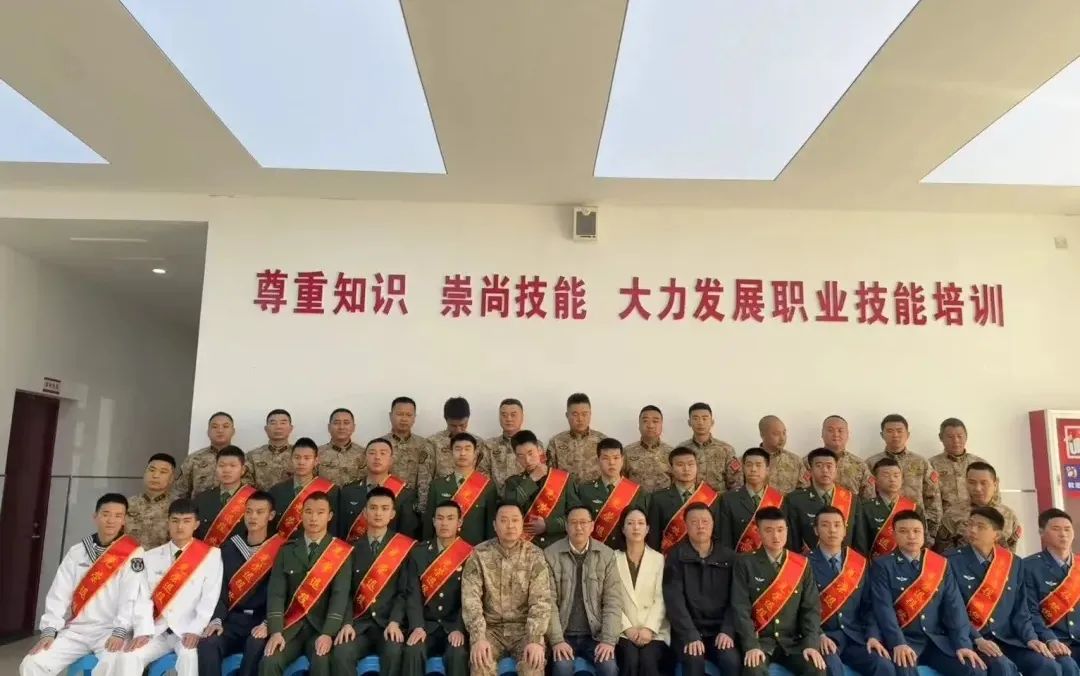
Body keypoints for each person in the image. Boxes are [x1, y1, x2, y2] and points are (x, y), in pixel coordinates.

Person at [19, 494, 144, 676]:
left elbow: (131, 596)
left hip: (111, 630)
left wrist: (120, 630)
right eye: (106, 514)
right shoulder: (77, 551)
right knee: (33, 663)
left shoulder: (133, 553)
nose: (111, 520)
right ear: (95, 516)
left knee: (118, 666)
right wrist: (50, 629)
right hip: (77, 630)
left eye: (118, 516)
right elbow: (59, 592)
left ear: (124, 520)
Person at [104, 498, 224, 676]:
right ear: (168, 522)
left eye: (186, 521)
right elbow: (142, 598)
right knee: (129, 656)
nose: (180, 527)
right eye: (175, 521)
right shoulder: (150, 556)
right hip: (156, 631)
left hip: (187, 631)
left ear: (196, 524)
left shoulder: (210, 556)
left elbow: (209, 598)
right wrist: (143, 631)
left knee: (189, 657)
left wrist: (195, 630)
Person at [869, 510, 987, 676]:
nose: (911, 536)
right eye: (903, 531)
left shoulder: (939, 564)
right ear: (894, 535)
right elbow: (883, 609)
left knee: (973, 669)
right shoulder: (882, 565)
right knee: (904, 669)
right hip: (904, 640)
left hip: (936, 642)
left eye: (916, 531)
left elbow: (954, 607)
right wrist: (897, 642)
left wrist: (963, 645)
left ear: (924, 533)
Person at [948, 506, 1060, 676]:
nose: (972, 530)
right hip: (973, 639)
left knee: (1048, 665)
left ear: (997, 535)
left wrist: (1030, 638)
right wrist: (977, 638)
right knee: (1002, 667)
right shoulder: (951, 561)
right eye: (970, 524)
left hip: (1008, 639)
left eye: (980, 526)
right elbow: (953, 610)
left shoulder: (1013, 563)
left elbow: (1021, 610)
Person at [261, 492, 352, 676]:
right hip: (290, 627)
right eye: (308, 512)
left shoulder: (340, 551)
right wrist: (276, 631)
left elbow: (340, 595)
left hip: (321, 627)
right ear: (301, 514)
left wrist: (328, 633)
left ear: (329, 516)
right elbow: (276, 593)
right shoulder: (287, 550)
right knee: (270, 660)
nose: (313, 518)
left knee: (322, 660)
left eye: (320, 512)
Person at [329, 486, 417, 676]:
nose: (378, 513)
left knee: (394, 652)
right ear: (365, 512)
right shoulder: (350, 549)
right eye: (373, 508)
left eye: (385, 508)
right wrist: (346, 623)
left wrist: (395, 621)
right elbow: (345, 592)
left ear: (392, 514)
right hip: (358, 624)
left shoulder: (404, 548)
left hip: (389, 624)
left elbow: (404, 593)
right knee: (341, 653)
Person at [732, 506, 827, 676]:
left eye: (780, 530)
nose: (776, 536)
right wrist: (751, 645)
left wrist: (811, 645)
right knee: (753, 670)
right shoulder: (745, 563)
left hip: (793, 643)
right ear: (758, 532)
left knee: (816, 668)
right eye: (768, 530)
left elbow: (811, 608)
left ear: (787, 530)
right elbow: (740, 608)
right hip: (760, 642)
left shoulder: (800, 564)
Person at [462, 502, 553, 676]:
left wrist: (535, 639)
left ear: (522, 524)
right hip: (490, 630)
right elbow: (470, 600)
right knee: (481, 662)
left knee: (533, 664)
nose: (510, 525)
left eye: (515, 520)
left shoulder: (535, 555)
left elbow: (541, 601)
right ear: (495, 525)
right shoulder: (479, 554)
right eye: (503, 520)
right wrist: (478, 638)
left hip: (524, 629)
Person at [198, 491, 281, 676]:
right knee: (208, 643)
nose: (253, 517)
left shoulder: (280, 550)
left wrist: (268, 623)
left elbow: (281, 594)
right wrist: (217, 620)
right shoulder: (229, 548)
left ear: (271, 515)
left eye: (260, 512)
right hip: (231, 620)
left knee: (256, 645)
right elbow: (219, 589)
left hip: (260, 621)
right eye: (249, 511)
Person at [807, 506, 893, 676]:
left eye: (837, 525)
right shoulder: (805, 564)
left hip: (856, 637)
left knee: (884, 666)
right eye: (825, 525)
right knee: (831, 669)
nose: (832, 530)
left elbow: (869, 606)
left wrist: (873, 636)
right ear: (816, 530)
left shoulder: (859, 563)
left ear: (845, 529)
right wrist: (819, 635)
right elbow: (802, 610)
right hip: (825, 638)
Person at [664, 502, 742, 676]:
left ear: (713, 524)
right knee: (694, 659)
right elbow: (674, 601)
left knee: (731, 661)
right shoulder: (675, 557)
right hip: (688, 629)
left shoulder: (730, 558)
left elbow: (737, 599)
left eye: (705, 521)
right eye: (694, 522)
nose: (700, 526)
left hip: (719, 630)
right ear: (686, 526)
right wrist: (690, 634)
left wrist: (727, 631)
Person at [545, 505, 622, 676]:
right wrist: (557, 640)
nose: (578, 527)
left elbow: (613, 601)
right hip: (563, 635)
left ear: (592, 526)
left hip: (595, 636)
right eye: (573, 523)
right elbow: (548, 602)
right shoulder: (550, 555)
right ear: (566, 526)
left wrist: (608, 640)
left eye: (583, 522)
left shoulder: (606, 555)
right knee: (562, 668)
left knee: (608, 668)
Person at [401, 501, 473, 676]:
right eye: (440, 518)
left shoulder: (470, 554)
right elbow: (413, 595)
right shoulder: (419, 552)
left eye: (450, 518)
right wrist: (417, 626)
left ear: (459, 522)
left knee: (458, 654)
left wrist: (459, 628)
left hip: (454, 625)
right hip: (426, 625)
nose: (444, 523)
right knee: (412, 650)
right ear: (433, 521)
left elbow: (471, 597)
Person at [865, 414, 943, 549]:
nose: (895, 435)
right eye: (890, 431)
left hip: (915, 530)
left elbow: (933, 499)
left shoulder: (921, 462)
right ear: (882, 435)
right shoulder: (871, 463)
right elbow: (867, 497)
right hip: (880, 532)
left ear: (908, 434)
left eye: (899, 431)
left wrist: (930, 534)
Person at [1023, 508, 1080, 673]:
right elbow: (1030, 611)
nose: (1063, 534)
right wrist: (1049, 639)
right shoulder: (1028, 567)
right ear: (1042, 533)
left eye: (1067, 529)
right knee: (1067, 667)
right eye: (1056, 529)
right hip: (1053, 639)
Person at [614, 507, 669, 676]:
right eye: (630, 523)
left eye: (640, 523)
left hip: (654, 631)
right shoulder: (612, 558)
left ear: (647, 529)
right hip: (622, 631)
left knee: (648, 661)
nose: (636, 527)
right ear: (623, 529)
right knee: (630, 660)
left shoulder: (658, 559)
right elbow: (609, 599)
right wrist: (627, 629)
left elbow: (661, 599)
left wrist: (649, 629)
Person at [504, 430, 577, 549]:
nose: (527, 460)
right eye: (521, 456)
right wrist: (531, 479)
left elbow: (576, 517)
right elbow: (508, 508)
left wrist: (548, 525)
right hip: (525, 548)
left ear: (539, 450)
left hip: (558, 547)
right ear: (516, 458)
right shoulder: (513, 482)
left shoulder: (563, 479)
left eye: (530, 453)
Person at [339, 438, 420, 542]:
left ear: (391, 460)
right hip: (354, 549)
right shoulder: (348, 491)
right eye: (372, 453)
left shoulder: (405, 494)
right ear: (365, 458)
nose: (377, 457)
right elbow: (340, 531)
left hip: (389, 550)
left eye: (383, 453)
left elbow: (407, 534)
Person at [423, 432, 497, 545]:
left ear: (475, 453)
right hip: (443, 550)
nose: (462, 453)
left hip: (475, 549)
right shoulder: (437, 485)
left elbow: (490, 526)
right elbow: (429, 524)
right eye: (458, 449)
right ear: (451, 453)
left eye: (467, 449)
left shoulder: (487, 486)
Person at [646, 447, 719, 555]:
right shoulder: (659, 498)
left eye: (691, 464)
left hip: (704, 557)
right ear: (671, 469)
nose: (686, 469)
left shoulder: (710, 496)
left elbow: (717, 533)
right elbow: (654, 537)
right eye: (680, 465)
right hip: (671, 558)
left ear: (697, 467)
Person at [577, 438, 646, 551]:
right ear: (598, 461)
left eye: (616, 458)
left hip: (626, 551)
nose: (612, 463)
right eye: (606, 458)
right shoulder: (585, 490)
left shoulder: (637, 491)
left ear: (622, 460)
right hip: (595, 551)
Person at [936, 462, 1021, 553]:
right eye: (972, 483)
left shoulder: (1009, 515)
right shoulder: (952, 514)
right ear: (966, 483)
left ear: (995, 484)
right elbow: (942, 552)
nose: (977, 488)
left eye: (984, 483)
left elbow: (1011, 551)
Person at [787, 448, 861, 552]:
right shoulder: (795, 499)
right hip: (808, 560)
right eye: (819, 466)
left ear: (836, 469)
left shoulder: (851, 499)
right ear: (810, 471)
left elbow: (859, 539)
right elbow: (792, 538)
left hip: (844, 560)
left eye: (829, 466)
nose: (825, 470)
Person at [267, 438, 339, 538]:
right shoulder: (276, 491)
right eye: (297, 457)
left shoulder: (331, 491)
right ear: (291, 460)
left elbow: (334, 528)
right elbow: (270, 527)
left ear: (316, 461)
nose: (301, 462)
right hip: (284, 545)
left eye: (307, 458)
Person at [718, 448, 785, 552]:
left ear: (767, 470)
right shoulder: (729, 499)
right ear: (743, 468)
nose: (753, 469)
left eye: (758, 465)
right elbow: (724, 540)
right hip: (740, 559)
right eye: (749, 465)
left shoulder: (779, 499)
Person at [853, 457, 918, 557]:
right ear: (875, 480)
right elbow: (860, 544)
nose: (892, 479)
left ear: (902, 480)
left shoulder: (914, 508)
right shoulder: (865, 508)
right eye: (886, 475)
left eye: (896, 475)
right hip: (876, 563)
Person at [799, 416, 874, 499]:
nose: (836, 434)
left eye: (840, 430)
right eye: (830, 430)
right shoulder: (808, 462)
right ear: (822, 434)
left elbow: (869, 498)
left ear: (847, 434)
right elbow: (800, 494)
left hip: (850, 506)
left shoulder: (859, 464)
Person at [176, 411, 247, 498]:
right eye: (215, 427)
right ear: (208, 432)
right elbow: (180, 492)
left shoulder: (244, 460)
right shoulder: (194, 459)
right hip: (200, 505)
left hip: (236, 505)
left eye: (225, 426)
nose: (220, 430)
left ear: (233, 431)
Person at [193, 445, 254, 546]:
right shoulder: (202, 498)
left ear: (243, 470)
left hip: (241, 554)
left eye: (232, 466)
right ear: (216, 468)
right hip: (208, 553)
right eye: (221, 466)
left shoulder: (254, 498)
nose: (226, 470)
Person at [383, 396, 435, 511]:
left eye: (408, 415)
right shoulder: (380, 445)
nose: (404, 419)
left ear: (414, 418)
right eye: (400, 414)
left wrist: (421, 509)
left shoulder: (424, 445)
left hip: (413, 506)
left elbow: (426, 480)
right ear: (390, 416)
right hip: (384, 505)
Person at [677, 402, 742, 494]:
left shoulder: (726, 449)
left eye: (705, 418)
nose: (700, 422)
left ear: (712, 422)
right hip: (690, 499)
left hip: (719, 499)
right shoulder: (681, 449)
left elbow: (736, 481)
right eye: (695, 418)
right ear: (689, 422)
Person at [428, 397, 492, 485]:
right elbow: (425, 478)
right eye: (453, 426)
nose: (458, 430)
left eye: (462, 425)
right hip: (440, 491)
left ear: (468, 419)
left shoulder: (478, 443)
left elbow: (483, 475)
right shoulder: (433, 443)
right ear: (446, 420)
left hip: (470, 491)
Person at [929, 419, 985, 518]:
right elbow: (928, 499)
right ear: (941, 437)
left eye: (960, 436)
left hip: (975, 520)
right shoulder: (931, 465)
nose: (956, 441)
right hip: (945, 522)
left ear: (966, 437)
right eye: (950, 437)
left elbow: (993, 496)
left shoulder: (980, 464)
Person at [547, 392, 608, 482]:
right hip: (566, 490)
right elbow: (550, 475)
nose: (580, 419)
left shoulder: (603, 441)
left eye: (584, 414)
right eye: (575, 414)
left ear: (590, 414)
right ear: (567, 415)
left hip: (596, 490)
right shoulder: (556, 442)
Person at [127, 452, 178, 549]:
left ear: (171, 478)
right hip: (129, 556)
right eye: (151, 470)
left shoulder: (177, 507)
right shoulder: (128, 504)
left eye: (163, 472)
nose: (155, 475)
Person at [623, 405, 674, 493]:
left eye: (655, 421)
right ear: (639, 425)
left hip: (664, 500)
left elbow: (676, 481)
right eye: (645, 421)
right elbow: (622, 480)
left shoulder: (672, 453)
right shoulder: (626, 452)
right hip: (636, 500)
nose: (650, 425)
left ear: (661, 425)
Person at [247, 409, 295, 490]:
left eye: (283, 423)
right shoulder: (252, 456)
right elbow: (246, 484)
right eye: (273, 423)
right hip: (260, 498)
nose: (278, 427)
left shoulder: (300, 454)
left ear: (291, 428)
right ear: (266, 429)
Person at [486, 398, 526, 491]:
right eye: (504, 415)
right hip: (495, 498)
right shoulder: (489, 446)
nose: (508, 419)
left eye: (513, 415)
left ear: (522, 417)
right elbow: (482, 476)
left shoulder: (534, 445)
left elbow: (540, 475)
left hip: (526, 497)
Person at [318, 408, 365, 486]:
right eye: (336, 423)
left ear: (353, 427)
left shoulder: (363, 454)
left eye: (346, 423)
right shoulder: (317, 453)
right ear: (329, 427)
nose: (341, 427)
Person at [758, 415, 805, 493]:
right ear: (762, 435)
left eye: (784, 433)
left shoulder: (796, 461)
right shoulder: (747, 461)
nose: (782, 438)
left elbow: (804, 491)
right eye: (776, 434)